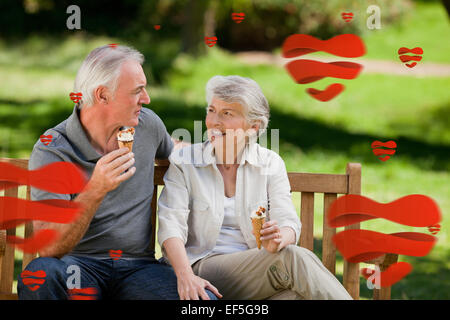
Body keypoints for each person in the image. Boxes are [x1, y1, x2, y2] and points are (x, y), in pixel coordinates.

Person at [18, 45, 217, 300]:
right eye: (137, 91)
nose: (146, 98)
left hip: (138, 270)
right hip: (78, 267)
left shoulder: (147, 125)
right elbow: (48, 248)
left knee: (203, 302)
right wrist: (96, 189)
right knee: (41, 275)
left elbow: (180, 150)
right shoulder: (54, 149)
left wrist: (226, 147)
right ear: (102, 96)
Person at [157, 75, 352, 300]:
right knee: (292, 258)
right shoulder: (185, 162)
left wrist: (280, 238)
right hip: (201, 269)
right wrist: (185, 276)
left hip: (255, 275)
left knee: (294, 297)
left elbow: (289, 222)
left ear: (253, 127)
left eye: (227, 113)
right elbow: (171, 227)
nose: (213, 121)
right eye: (211, 110)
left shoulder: (270, 163)